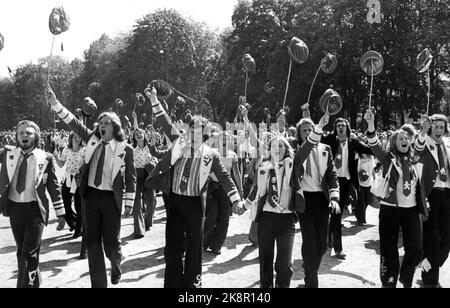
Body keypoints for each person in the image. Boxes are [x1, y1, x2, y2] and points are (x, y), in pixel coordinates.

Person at [144, 87, 245, 288]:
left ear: (206, 135)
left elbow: (225, 178)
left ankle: (192, 285)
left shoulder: (211, 154)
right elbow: (165, 123)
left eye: (200, 130)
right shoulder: (179, 142)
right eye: (193, 129)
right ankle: (172, 284)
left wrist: (236, 200)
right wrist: (154, 99)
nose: (195, 132)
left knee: (194, 246)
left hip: (194, 205)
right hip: (175, 201)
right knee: (172, 247)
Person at [46, 86, 136, 288]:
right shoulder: (92, 139)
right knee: (93, 242)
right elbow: (74, 123)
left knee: (112, 245)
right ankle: (99, 284)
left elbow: (131, 178)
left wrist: (129, 204)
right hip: (91, 197)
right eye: (101, 122)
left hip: (111, 200)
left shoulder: (125, 149)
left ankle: (116, 263)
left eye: (107, 123)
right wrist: (55, 103)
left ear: (116, 127)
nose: (103, 125)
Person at [241, 112, 330, 288]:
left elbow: (308, 146)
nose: (277, 149)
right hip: (265, 219)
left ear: (286, 148)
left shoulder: (293, 163)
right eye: (274, 146)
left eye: (281, 146)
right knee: (265, 262)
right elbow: (256, 191)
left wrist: (318, 127)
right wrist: (243, 205)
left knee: (284, 265)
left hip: (287, 220)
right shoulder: (264, 166)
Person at [365, 109, 427, 288]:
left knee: (415, 248)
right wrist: (371, 123)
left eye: (407, 139)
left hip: (411, 210)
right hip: (389, 209)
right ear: (394, 143)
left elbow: (421, 145)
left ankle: (406, 277)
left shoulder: (414, 159)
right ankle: (389, 280)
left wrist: (423, 131)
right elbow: (374, 144)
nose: (405, 141)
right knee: (388, 248)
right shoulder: (387, 159)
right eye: (400, 139)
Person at [0, 120, 66, 288]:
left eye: (28, 133)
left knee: (29, 254)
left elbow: (54, 187)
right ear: (16, 136)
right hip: (14, 209)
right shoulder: (7, 154)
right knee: (22, 252)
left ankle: (25, 286)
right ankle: (33, 282)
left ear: (36, 136)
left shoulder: (46, 157)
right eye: (21, 133)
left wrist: (61, 213)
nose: (24, 136)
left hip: (35, 210)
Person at [293, 115, 340, 288]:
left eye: (309, 129)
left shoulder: (326, 148)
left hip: (322, 199)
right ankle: (311, 282)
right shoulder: (296, 150)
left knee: (322, 246)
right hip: (304, 200)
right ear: (299, 134)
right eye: (303, 130)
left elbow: (332, 176)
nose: (307, 132)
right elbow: (297, 162)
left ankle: (309, 266)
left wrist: (334, 198)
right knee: (309, 241)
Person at [322, 117, 372, 259]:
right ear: (335, 128)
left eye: (343, 125)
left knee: (337, 214)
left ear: (347, 128)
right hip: (331, 182)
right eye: (338, 125)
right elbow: (316, 138)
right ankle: (334, 243)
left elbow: (369, 149)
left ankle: (335, 244)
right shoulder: (330, 140)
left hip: (346, 183)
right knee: (333, 213)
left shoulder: (353, 142)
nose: (340, 127)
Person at [415, 114, 450, 288]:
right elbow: (416, 150)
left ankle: (428, 265)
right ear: (431, 128)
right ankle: (430, 280)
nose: (438, 130)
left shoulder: (447, 145)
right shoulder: (424, 142)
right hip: (430, 195)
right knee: (431, 239)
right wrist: (423, 131)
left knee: (447, 239)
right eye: (436, 127)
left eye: (441, 127)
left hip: (447, 195)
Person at [203, 131, 243, 255]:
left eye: (227, 138)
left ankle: (217, 245)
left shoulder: (233, 155)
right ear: (218, 140)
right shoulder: (212, 153)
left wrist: (240, 190)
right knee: (211, 217)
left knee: (224, 219)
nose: (224, 140)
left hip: (227, 190)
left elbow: (236, 174)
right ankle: (204, 243)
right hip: (213, 188)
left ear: (230, 140)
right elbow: (204, 171)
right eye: (222, 138)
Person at [129, 111, 156, 238]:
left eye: (141, 133)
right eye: (136, 134)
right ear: (134, 137)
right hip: (137, 174)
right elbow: (135, 129)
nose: (139, 134)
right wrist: (135, 118)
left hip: (148, 173)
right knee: (136, 202)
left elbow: (156, 155)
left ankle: (147, 222)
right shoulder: (132, 149)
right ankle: (139, 229)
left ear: (144, 135)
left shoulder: (149, 147)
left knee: (151, 201)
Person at [53, 132, 85, 239]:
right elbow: (61, 164)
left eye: (79, 137)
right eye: (74, 137)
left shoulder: (84, 150)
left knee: (78, 205)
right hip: (67, 178)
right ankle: (73, 223)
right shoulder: (66, 150)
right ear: (70, 139)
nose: (77, 139)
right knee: (65, 203)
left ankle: (78, 229)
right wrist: (56, 156)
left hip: (79, 180)